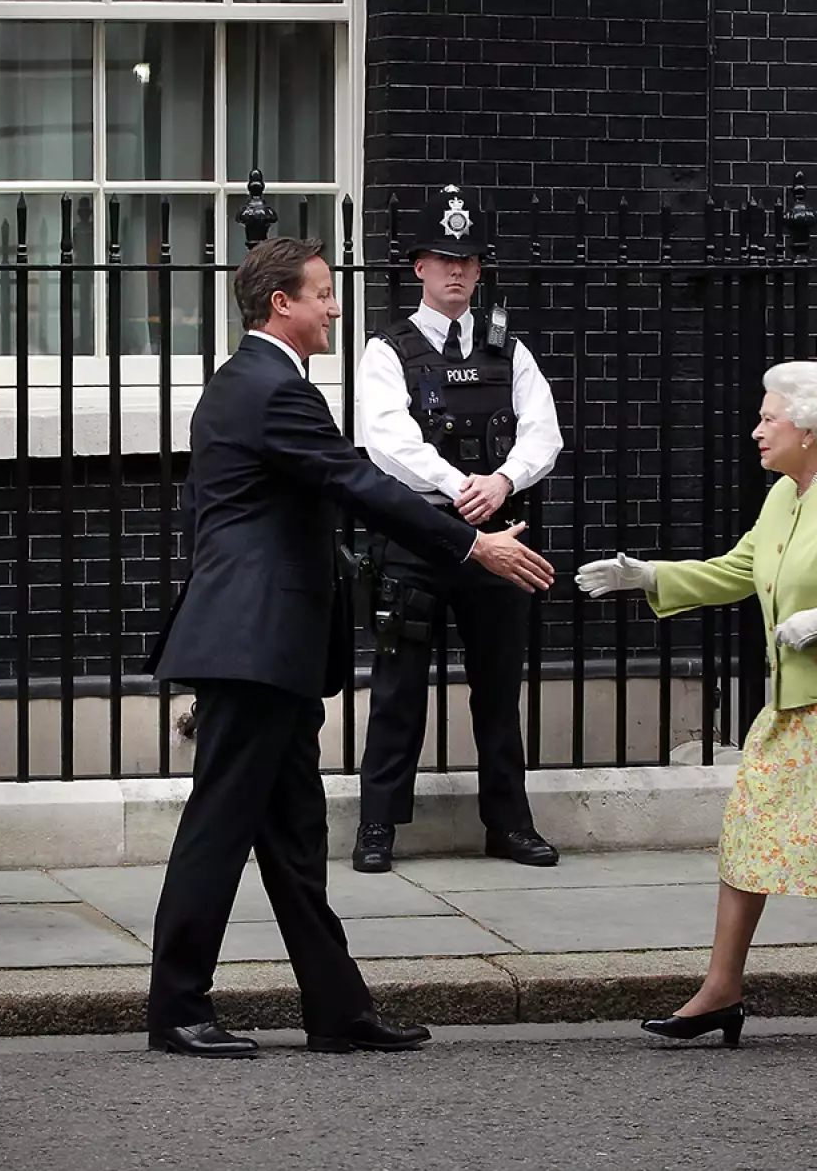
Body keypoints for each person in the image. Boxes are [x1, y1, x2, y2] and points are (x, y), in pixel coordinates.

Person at [145, 236, 555, 1059]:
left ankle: (337, 1008)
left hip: (270, 645)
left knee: (294, 838)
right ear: (280, 305)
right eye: (323, 294)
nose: (335, 307)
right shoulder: (272, 391)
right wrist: (472, 546)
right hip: (252, 643)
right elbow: (358, 482)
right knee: (218, 828)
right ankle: (177, 1008)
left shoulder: (252, 383)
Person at [576, 360, 817, 1056]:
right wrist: (651, 576)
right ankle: (721, 990)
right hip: (794, 699)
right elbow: (740, 571)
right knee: (746, 831)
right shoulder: (784, 496)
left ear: (808, 426)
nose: (756, 430)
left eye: (768, 418)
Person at [351, 183, 564, 874]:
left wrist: (501, 482)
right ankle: (377, 826)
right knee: (398, 689)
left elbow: (544, 435)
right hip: (416, 539)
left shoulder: (510, 351)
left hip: (497, 541)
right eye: (444, 259)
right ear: (419, 267)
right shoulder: (387, 350)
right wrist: (459, 484)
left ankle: (508, 824)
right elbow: (385, 441)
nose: (456, 272)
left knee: (499, 690)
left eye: (468, 260)